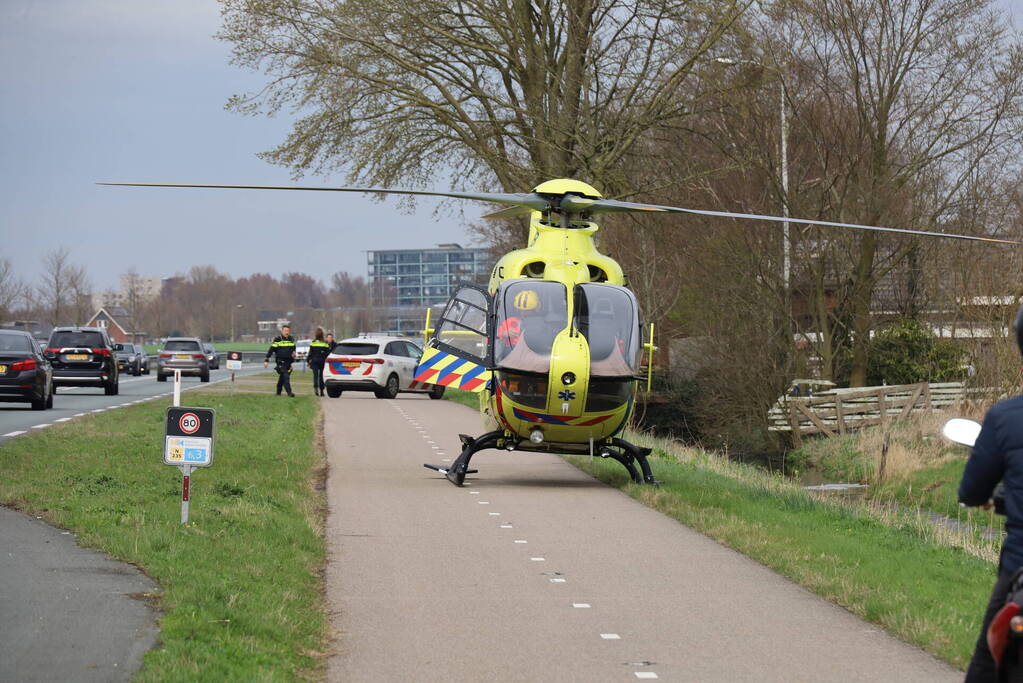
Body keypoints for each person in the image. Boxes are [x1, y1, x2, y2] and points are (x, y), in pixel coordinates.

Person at [960, 304, 1023, 682]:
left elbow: (971, 490)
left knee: (985, 664)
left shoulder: (1004, 417)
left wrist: (986, 497)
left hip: (1020, 568)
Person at [264, 324, 297, 397]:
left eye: (288, 331)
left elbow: (293, 348)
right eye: (285, 331)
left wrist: (294, 353)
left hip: (288, 362)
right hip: (280, 361)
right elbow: (271, 349)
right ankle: (289, 393)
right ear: (282, 331)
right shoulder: (278, 339)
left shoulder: (291, 339)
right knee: (286, 377)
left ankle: (278, 393)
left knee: (282, 378)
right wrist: (266, 359)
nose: (286, 332)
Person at [307, 327, 331, 396]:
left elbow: (310, 353)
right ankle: (322, 391)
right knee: (321, 376)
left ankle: (315, 388)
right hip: (322, 361)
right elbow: (327, 353)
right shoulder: (325, 343)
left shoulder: (313, 343)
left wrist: (308, 361)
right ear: (322, 334)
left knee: (315, 376)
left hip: (314, 361)